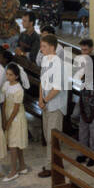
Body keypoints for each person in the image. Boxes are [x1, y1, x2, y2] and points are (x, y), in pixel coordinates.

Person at [36, 34, 67, 178]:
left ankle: (52, 167)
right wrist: (40, 98)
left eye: (44, 47)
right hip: (47, 104)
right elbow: (42, 82)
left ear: (52, 47)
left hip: (56, 105)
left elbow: (57, 87)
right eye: (41, 46)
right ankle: (53, 163)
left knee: (52, 137)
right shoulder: (45, 61)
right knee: (47, 136)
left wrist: (45, 100)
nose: (41, 49)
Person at [0, 63, 29, 179]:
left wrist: (8, 122)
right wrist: (3, 116)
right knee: (16, 143)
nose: (8, 77)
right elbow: (5, 100)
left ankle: (13, 171)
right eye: (7, 74)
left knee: (13, 144)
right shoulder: (6, 85)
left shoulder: (18, 89)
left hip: (16, 118)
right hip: (8, 114)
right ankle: (22, 166)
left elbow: (16, 109)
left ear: (16, 76)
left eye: (11, 75)